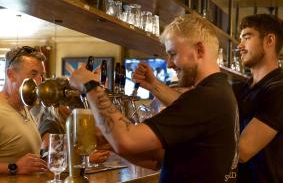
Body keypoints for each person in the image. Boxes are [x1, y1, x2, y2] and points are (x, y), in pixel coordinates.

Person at [69, 14, 239, 183]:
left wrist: (90, 85)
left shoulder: (206, 98)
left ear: (199, 50)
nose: (169, 64)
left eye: (173, 54)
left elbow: (127, 140)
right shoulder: (219, 92)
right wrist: (110, 142)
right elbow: (159, 160)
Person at [232, 14, 283, 182]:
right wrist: (155, 85)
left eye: (247, 37)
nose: (239, 46)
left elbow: (243, 151)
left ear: (269, 40)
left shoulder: (282, 92)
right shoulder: (242, 88)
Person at [0, 46, 47, 175]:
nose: (39, 81)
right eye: (33, 74)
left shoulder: (24, 109)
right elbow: (19, 165)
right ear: (11, 75)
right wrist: (14, 167)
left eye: (41, 76)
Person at [31, 103, 110, 163]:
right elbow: (48, 158)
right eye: (66, 100)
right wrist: (87, 159)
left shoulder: (69, 124)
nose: (72, 104)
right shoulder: (50, 124)